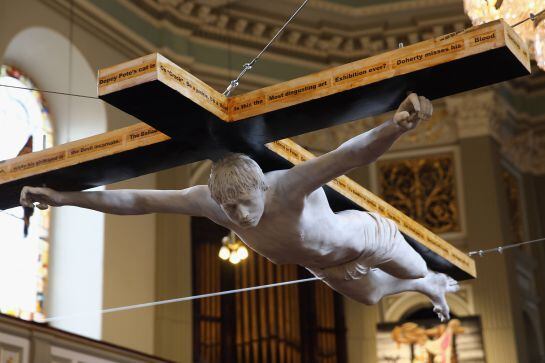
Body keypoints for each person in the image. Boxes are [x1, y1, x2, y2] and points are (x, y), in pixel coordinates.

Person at [20, 93, 458, 321]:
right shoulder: (212, 204)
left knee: (414, 269)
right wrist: (62, 199)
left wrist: (394, 127)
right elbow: (137, 199)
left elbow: (349, 154)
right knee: (373, 297)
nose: (239, 217)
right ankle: (426, 288)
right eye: (230, 209)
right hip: (326, 267)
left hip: (367, 239)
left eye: (245, 205)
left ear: (262, 191)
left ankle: (428, 282)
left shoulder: (287, 187)